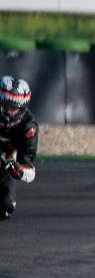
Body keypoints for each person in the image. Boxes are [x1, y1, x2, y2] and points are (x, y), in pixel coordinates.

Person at [0, 76, 38, 222]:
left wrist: (18, 170)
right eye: (4, 105)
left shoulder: (28, 128)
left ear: (22, 109)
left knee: (6, 208)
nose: (8, 112)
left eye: (13, 108)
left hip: (3, 165)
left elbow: (30, 172)